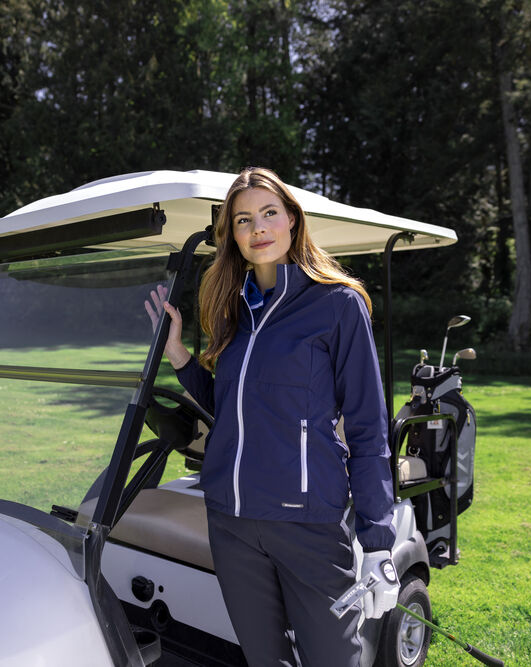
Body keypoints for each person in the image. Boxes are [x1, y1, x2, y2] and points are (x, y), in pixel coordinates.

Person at [145, 167, 398, 667]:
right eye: (243, 220)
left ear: (292, 220)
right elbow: (231, 406)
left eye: (268, 213)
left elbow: (368, 429)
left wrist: (377, 542)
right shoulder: (235, 311)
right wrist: (178, 355)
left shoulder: (338, 304)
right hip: (231, 523)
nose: (258, 228)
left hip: (307, 525)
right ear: (233, 235)